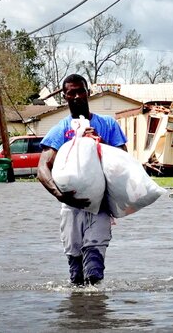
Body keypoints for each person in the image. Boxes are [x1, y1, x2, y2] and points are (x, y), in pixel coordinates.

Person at [37, 74, 127, 286]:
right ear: (65, 97)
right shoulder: (60, 130)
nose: (76, 96)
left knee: (94, 270)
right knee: (76, 273)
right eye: (71, 93)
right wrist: (61, 196)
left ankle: (95, 313)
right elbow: (42, 169)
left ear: (88, 93)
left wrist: (98, 141)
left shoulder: (107, 124)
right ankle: (79, 312)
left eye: (80, 91)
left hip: (101, 206)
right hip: (71, 207)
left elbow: (124, 158)